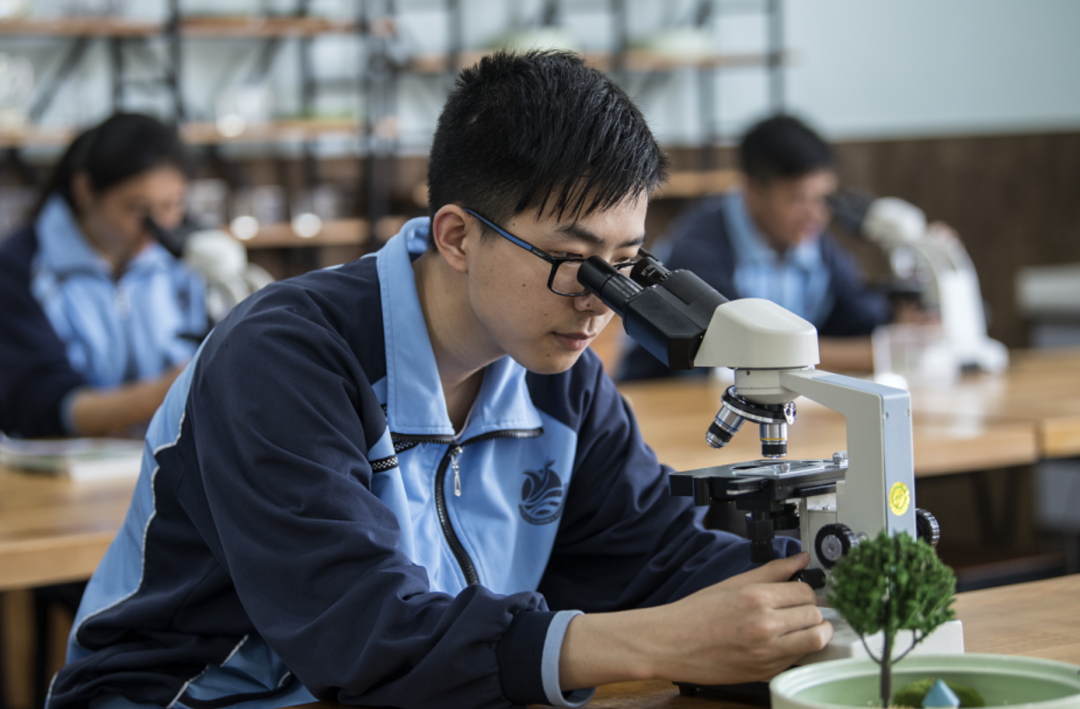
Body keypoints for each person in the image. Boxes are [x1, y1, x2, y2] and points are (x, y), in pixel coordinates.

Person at [48, 52, 830, 709]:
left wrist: (820, 593)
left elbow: (657, 552)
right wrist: (655, 639)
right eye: (575, 261)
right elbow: (366, 638)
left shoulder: (557, 372)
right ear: (457, 236)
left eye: (626, 265)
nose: (601, 302)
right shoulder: (283, 358)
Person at [619, 115, 893, 382]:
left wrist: (903, 317)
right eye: (798, 199)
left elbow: (863, 315)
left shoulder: (807, 237)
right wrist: (879, 353)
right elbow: (746, 353)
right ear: (753, 190)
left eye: (822, 199)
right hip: (663, 396)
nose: (816, 214)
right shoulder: (698, 249)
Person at [0, 113, 206, 439]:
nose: (159, 228)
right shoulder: (19, 267)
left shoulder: (186, 258)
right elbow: (40, 404)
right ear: (84, 190)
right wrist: (172, 390)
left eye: (172, 206)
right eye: (139, 209)